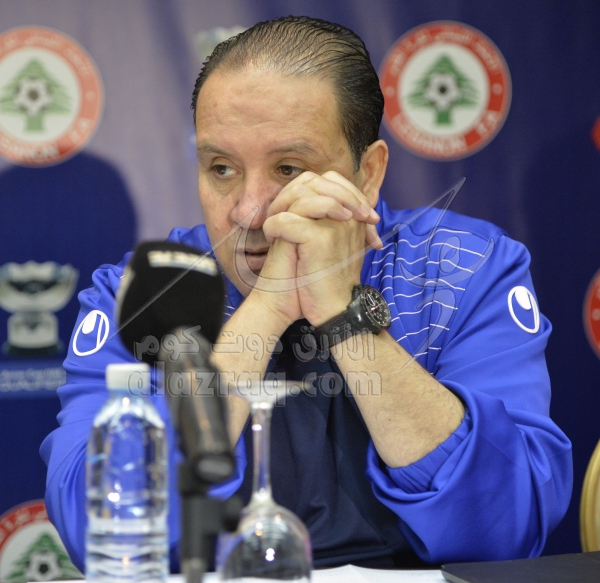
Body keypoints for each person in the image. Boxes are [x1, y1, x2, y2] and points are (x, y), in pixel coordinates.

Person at [41, 16, 572, 572]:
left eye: (288, 168)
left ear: (368, 174)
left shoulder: (461, 269)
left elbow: (508, 524)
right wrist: (267, 307)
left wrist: (344, 313)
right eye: (221, 168)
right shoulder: (147, 292)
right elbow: (99, 526)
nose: (249, 212)